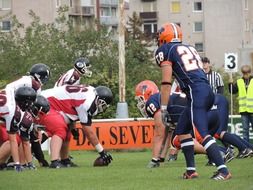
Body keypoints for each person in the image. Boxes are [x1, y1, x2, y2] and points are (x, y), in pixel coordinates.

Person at [155, 22, 231, 180]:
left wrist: (163, 108)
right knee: (182, 130)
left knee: (201, 134)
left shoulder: (166, 49)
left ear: (164, 37)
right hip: (205, 91)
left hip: (195, 93)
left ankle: (223, 170)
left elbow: (166, 83)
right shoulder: (190, 47)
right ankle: (191, 170)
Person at [38, 84, 113, 168]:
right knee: (60, 129)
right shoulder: (87, 103)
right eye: (103, 104)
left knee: (67, 132)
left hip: (52, 101)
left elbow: (73, 105)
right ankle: (54, 161)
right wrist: (102, 152)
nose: (102, 107)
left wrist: (73, 128)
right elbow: (89, 131)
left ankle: (65, 160)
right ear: (99, 100)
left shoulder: (91, 92)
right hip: (46, 101)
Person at [4, 63, 51, 167]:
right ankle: (18, 162)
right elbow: (9, 89)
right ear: (38, 76)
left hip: (16, 112)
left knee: (25, 136)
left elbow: (32, 105)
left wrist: (32, 124)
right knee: (16, 138)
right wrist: (15, 110)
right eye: (44, 78)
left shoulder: (36, 88)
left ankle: (23, 162)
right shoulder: (26, 81)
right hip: (9, 112)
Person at [135, 80, 174, 168]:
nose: (140, 103)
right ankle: (160, 158)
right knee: (172, 134)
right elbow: (167, 132)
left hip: (183, 111)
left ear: (149, 94)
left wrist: (154, 160)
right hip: (182, 109)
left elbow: (159, 133)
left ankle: (211, 152)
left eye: (141, 99)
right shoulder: (160, 97)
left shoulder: (153, 101)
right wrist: (161, 158)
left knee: (180, 141)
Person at [0, 86, 36, 171]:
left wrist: (29, 163)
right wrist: (17, 164)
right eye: (30, 103)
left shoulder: (11, 90)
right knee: (14, 140)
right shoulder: (13, 112)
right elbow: (13, 140)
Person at [229, 65, 253, 143]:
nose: (245, 75)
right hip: (243, 110)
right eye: (244, 73)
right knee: (245, 130)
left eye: (247, 73)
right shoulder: (239, 81)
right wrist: (230, 84)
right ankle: (247, 148)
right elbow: (232, 91)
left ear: (250, 72)